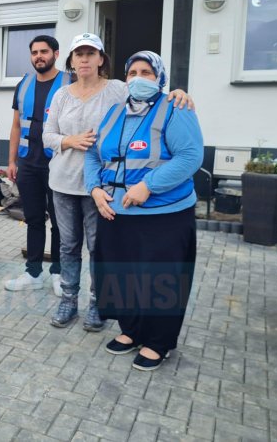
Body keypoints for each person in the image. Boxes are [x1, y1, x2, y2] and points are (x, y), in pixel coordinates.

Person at [43, 34, 191, 333]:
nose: (84, 59)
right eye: (78, 54)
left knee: (100, 247)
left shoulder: (117, 89)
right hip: (63, 183)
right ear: (71, 61)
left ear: (101, 59)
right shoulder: (61, 95)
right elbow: (47, 135)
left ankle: (98, 303)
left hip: (101, 188)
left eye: (90, 53)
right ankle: (69, 300)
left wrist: (178, 93)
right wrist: (69, 141)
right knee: (68, 246)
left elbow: (150, 99)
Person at [86, 51, 203, 371]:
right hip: (116, 212)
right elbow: (95, 156)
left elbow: (190, 157)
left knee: (160, 280)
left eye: (146, 72)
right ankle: (131, 330)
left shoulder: (176, 109)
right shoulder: (113, 113)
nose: (138, 78)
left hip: (163, 214)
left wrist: (148, 186)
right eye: (132, 72)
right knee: (121, 275)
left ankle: (158, 341)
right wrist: (94, 189)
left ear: (160, 78)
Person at [4, 35, 70, 297]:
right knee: (33, 219)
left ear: (55, 53)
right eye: (34, 52)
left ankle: (59, 272)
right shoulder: (23, 84)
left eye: (44, 51)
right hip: (28, 164)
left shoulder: (70, 82)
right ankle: (33, 272)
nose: (38, 56)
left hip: (59, 164)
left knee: (60, 222)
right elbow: (16, 126)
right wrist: (11, 161)